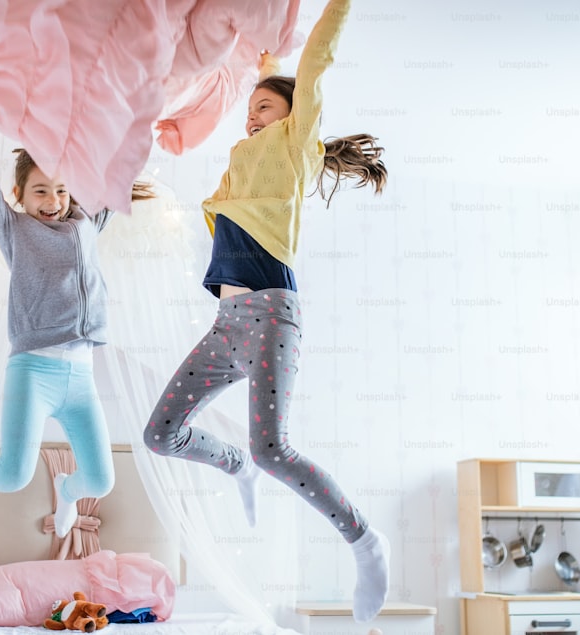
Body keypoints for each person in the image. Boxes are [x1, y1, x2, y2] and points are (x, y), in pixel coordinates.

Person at [142, 0, 390, 623]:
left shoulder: (294, 144)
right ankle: (233, 467)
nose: (252, 116)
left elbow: (315, 63)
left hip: (274, 313)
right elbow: (273, 72)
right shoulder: (244, 157)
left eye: (265, 106)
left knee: (273, 448)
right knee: (160, 435)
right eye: (250, 108)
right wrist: (264, 63)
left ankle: (364, 540)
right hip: (227, 326)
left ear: (291, 115)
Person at [0, 106, 153, 539]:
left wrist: (137, 110)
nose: (53, 202)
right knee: (13, 474)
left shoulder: (88, 223)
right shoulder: (13, 229)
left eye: (60, 190)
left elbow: (122, 166)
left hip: (81, 378)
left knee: (101, 481)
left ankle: (66, 491)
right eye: (40, 192)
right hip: (33, 372)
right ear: (19, 194)